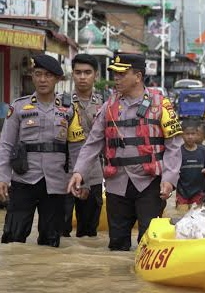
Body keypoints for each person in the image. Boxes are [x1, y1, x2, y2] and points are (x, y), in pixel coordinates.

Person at [67, 53, 183, 251]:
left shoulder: (161, 105)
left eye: (122, 74)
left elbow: (173, 146)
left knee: (149, 243)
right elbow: (92, 143)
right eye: (115, 74)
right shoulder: (108, 107)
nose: (116, 79)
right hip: (116, 185)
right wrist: (79, 172)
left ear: (137, 76)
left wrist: (170, 179)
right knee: (117, 244)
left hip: (149, 184)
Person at [0, 55, 85, 247]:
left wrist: (77, 177)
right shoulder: (19, 107)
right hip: (23, 180)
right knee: (13, 239)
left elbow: (76, 148)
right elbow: (5, 144)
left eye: (48, 75)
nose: (42, 80)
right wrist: (3, 177)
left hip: (56, 182)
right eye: (38, 74)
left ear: (57, 79)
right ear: (32, 77)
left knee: (51, 242)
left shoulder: (69, 110)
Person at [62, 54, 105, 238]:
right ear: (73, 75)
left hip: (94, 175)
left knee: (88, 236)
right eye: (78, 72)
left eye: (87, 72)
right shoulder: (61, 103)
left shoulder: (105, 105)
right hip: (64, 175)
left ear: (96, 75)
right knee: (58, 232)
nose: (82, 77)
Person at [176, 119, 205, 211]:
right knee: (181, 215)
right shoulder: (178, 152)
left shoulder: (204, 151)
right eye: (187, 134)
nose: (190, 137)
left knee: (197, 216)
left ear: (197, 135)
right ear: (182, 135)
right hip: (182, 192)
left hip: (198, 192)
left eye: (193, 134)